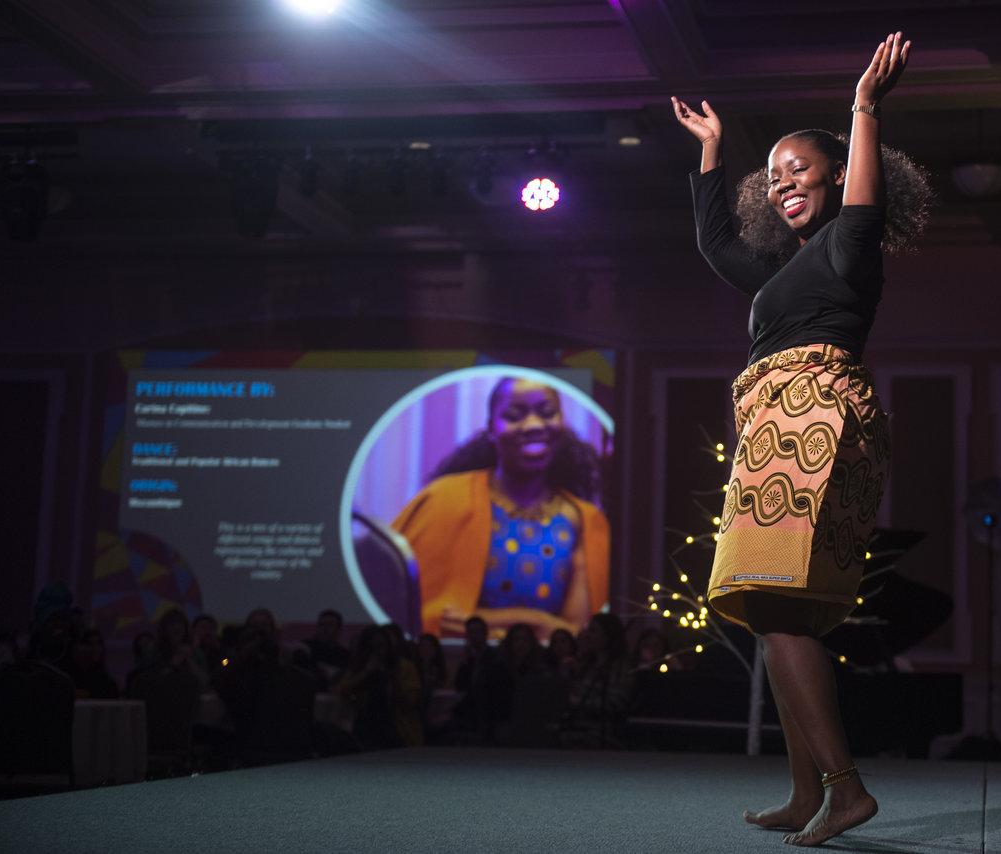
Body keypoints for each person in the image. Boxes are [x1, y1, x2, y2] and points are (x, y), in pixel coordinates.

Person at [672, 32, 930, 846]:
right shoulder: (784, 272)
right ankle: (801, 789)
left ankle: (845, 789)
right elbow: (716, 245)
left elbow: (864, 201)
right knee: (769, 611)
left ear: (837, 175)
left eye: (800, 169)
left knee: (779, 607)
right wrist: (714, 154)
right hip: (773, 430)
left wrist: (862, 108)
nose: (783, 182)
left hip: (814, 424)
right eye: (773, 174)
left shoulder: (852, 248)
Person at [392, 377, 611, 640]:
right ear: (491, 429)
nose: (533, 425)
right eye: (514, 415)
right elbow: (431, 617)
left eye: (547, 413)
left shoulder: (584, 520)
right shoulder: (442, 499)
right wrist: (537, 623)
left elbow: (572, 634)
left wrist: (498, 626)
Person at [335, 625, 423, 749]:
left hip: (397, 727)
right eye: (372, 647)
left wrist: (391, 675)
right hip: (364, 727)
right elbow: (342, 690)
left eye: (381, 646)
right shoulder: (359, 666)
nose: (378, 651)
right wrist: (366, 671)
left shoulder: (405, 667)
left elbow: (410, 702)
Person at [558, 612, 634, 749]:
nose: (587, 636)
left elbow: (615, 703)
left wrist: (577, 702)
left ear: (608, 635)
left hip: (601, 733)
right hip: (575, 727)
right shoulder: (586, 664)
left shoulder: (621, 667)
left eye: (593, 631)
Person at [64, 627, 120, 699]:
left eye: (98, 644)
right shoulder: (70, 678)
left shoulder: (108, 683)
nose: (95, 649)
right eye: (90, 644)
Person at [304, 608, 351, 685]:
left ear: (339, 629)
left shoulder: (344, 654)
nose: (325, 628)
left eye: (330, 625)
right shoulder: (306, 648)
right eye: (322, 624)